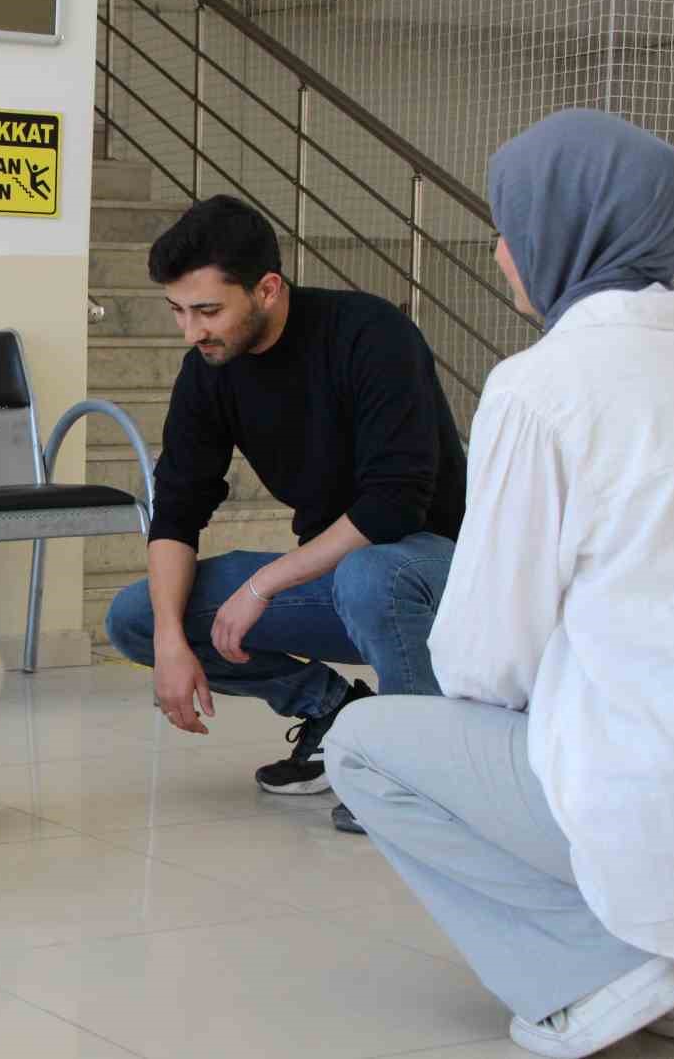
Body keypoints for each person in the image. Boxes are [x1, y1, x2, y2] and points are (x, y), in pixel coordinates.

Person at [326, 109, 674, 1058]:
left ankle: (599, 966)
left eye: (510, 226)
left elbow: (482, 656)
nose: (500, 252)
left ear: (565, 231)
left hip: (660, 790)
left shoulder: (545, 385)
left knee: (366, 741)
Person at [103, 195, 466, 832]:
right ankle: (336, 715)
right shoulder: (210, 371)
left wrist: (262, 585)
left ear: (267, 289)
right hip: (345, 584)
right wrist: (168, 642)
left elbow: (392, 505)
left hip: (439, 577)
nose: (192, 332)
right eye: (179, 312)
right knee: (137, 615)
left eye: (208, 310)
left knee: (371, 573)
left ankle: (422, 772)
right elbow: (179, 509)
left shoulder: (371, 335)